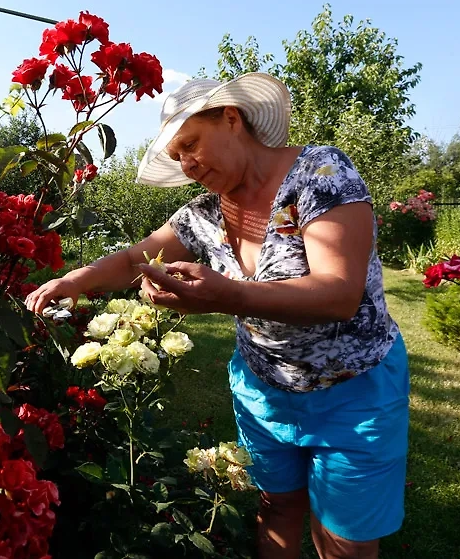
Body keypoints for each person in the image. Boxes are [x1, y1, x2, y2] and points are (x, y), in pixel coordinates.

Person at [24, 72, 409, 559]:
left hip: (355, 390)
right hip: (264, 387)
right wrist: (74, 281)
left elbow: (339, 294)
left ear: (231, 119)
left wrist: (228, 297)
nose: (186, 164)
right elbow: (133, 259)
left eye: (191, 144)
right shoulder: (204, 214)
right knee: (277, 508)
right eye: (176, 157)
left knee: (345, 543)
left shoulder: (320, 173)